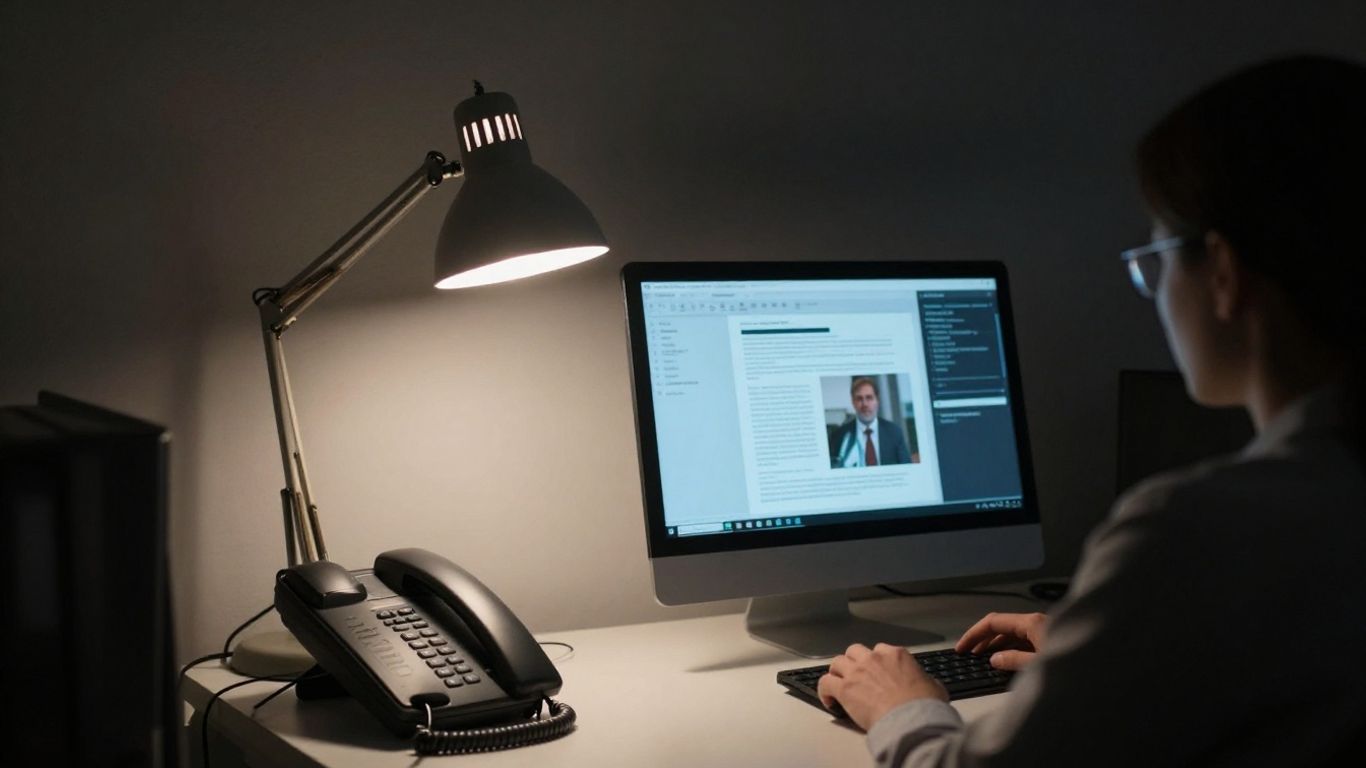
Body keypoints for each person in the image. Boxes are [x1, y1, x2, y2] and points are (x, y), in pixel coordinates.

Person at [817, 55, 1366, 766]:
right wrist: (1127, 643)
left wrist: (901, 706)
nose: (1155, 291)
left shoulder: (1198, 531)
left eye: (1157, 258)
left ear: (1224, 274)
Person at [831, 377, 914, 467]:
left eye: (869, 398)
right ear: (853, 402)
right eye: (859, 399)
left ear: (877, 401)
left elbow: (907, 468)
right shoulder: (839, 436)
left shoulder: (895, 432)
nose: (865, 404)